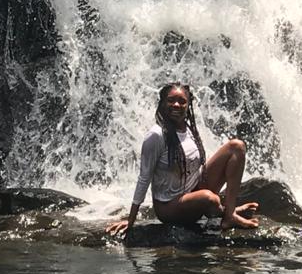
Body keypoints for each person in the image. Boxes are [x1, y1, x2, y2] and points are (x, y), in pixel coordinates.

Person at [106, 83, 259, 239]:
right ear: (162, 104)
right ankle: (225, 211)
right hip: (169, 206)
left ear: (188, 105)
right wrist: (131, 220)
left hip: (193, 188)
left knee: (237, 147)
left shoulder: (188, 128)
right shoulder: (156, 136)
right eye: (171, 100)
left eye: (182, 101)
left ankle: (230, 213)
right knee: (210, 198)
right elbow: (144, 178)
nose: (176, 105)